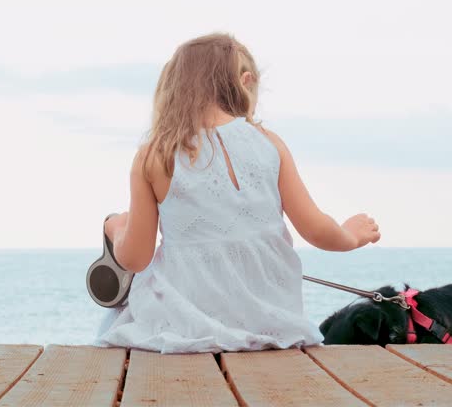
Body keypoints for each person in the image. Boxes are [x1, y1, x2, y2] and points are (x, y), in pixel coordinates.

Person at [94, 33, 380, 353]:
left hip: (185, 324)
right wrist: (350, 236)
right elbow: (315, 229)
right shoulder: (269, 143)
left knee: (114, 323)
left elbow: (136, 257)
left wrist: (117, 228)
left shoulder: (155, 154)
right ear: (245, 82)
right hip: (271, 325)